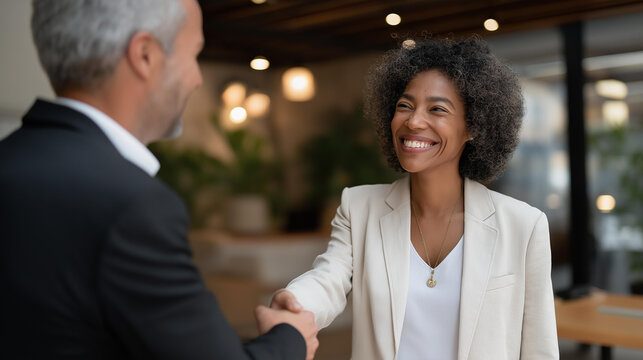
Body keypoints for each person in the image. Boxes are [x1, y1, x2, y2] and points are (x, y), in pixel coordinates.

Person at [0, 0, 318, 359]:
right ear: (145, 55)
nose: (197, 78)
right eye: (194, 54)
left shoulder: (11, 161)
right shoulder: (131, 205)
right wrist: (289, 338)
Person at [271, 37, 559, 359]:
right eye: (404, 106)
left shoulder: (523, 225)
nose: (414, 121)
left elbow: (539, 348)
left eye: (437, 109)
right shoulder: (359, 207)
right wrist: (294, 303)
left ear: (473, 127)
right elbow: (329, 279)